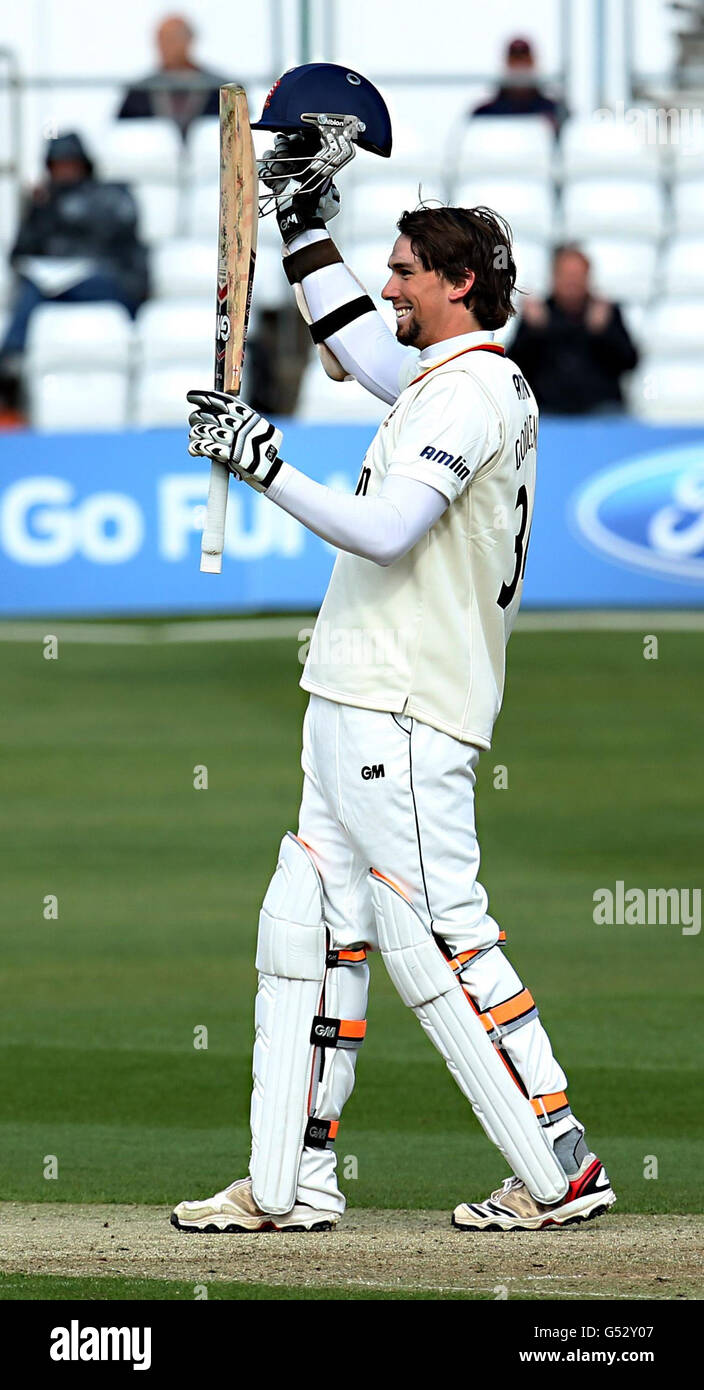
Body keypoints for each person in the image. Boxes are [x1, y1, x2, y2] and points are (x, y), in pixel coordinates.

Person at [171, 69, 615, 1235]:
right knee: (306, 928)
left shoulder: (474, 396)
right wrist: (295, 220)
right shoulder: (439, 378)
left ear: (458, 284)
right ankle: (285, 1184)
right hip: (349, 694)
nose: (387, 285)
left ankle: (556, 1161)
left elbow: (384, 527)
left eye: (405, 272)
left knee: (439, 934)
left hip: (407, 710)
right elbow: (355, 345)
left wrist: (261, 463)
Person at [0, 132, 148, 392]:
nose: (65, 171)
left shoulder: (111, 195)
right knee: (30, 290)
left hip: (109, 282)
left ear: (83, 164)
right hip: (57, 287)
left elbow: (117, 243)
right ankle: (11, 364)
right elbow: (19, 257)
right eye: (58, 166)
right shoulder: (43, 204)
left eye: (70, 164)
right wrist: (40, 210)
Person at [510, 244, 639, 415]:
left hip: (600, 410)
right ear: (554, 277)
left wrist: (603, 334)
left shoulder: (606, 312)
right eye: (566, 275)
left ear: (588, 277)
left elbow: (630, 362)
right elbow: (515, 366)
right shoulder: (538, 314)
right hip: (548, 410)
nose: (572, 282)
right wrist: (534, 332)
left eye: (577, 275)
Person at [117, 14, 225, 139]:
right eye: (160, 40)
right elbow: (122, 135)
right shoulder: (138, 92)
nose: (164, 46)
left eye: (172, 39)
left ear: (189, 40)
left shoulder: (220, 89)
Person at [472, 36, 565, 132]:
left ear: (533, 63)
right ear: (506, 63)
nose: (520, 66)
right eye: (514, 60)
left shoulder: (556, 110)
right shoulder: (485, 113)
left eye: (524, 60)